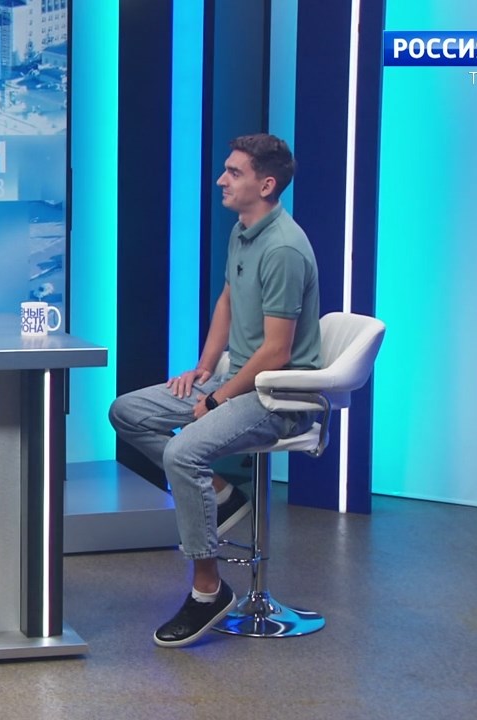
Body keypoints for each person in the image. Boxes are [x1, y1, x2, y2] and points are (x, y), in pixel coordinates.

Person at [108, 133, 320, 648]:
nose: (222, 180)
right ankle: (223, 497)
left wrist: (214, 401)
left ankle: (208, 590)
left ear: (265, 185)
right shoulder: (243, 231)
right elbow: (227, 299)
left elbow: (276, 352)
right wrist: (204, 370)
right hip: (235, 380)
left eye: (234, 172)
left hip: (276, 396)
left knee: (182, 452)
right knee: (127, 411)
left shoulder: (284, 248)